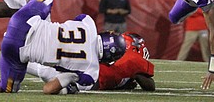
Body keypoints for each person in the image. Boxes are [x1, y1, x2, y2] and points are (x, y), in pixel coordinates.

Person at [27, 32, 155, 93]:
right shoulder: (134, 59)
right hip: (89, 79)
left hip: (81, 68)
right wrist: (136, 73)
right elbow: (150, 86)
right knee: (47, 73)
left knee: (45, 69)